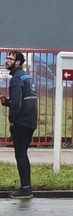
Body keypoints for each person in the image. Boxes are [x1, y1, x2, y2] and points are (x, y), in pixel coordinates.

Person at [2, 51, 38, 199]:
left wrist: (12, 120)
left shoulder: (16, 79)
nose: (6, 61)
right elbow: (23, 101)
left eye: (10, 59)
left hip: (21, 122)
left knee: (20, 155)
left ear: (17, 62)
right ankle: (26, 187)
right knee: (23, 154)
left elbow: (17, 103)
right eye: (6, 58)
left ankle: (25, 189)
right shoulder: (26, 77)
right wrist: (8, 103)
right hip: (30, 121)